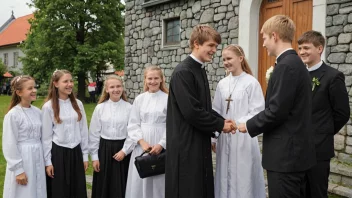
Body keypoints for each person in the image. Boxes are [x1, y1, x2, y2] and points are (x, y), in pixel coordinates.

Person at [237, 15, 316, 197]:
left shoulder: (286, 67)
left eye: (264, 38)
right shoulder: (294, 64)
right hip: (295, 154)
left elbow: (276, 111)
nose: (263, 43)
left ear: (274, 36)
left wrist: (247, 125)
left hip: (286, 157)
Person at [165, 24, 236, 198]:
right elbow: (191, 112)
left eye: (215, 47)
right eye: (211, 46)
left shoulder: (199, 70)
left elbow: (203, 107)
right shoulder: (183, 72)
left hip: (197, 141)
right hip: (185, 144)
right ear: (197, 43)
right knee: (188, 189)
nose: (214, 50)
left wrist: (222, 120)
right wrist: (220, 124)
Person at [297, 30, 350, 198]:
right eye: (300, 48)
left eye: (306, 47)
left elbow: (342, 113)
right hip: (297, 147)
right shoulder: (298, 75)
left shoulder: (333, 76)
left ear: (319, 49)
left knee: (317, 192)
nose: (302, 52)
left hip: (318, 147)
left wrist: (323, 132)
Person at [212, 44, 266, 198]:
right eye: (223, 60)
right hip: (225, 136)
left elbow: (257, 111)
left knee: (243, 177)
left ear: (240, 58)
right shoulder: (222, 84)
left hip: (243, 136)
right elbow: (216, 111)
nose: (226, 62)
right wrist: (214, 137)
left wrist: (237, 123)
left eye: (229, 58)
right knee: (224, 176)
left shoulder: (251, 82)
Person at [42, 69, 89, 198]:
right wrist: (48, 162)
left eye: (71, 81)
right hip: (58, 153)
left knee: (77, 189)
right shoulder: (48, 107)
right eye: (65, 81)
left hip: (76, 152)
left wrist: (85, 156)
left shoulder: (78, 104)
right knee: (60, 190)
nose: (70, 84)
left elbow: (83, 131)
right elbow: (46, 137)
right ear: (56, 84)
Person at [125, 65, 168, 198]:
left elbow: (172, 125)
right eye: (150, 78)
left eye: (156, 78)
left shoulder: (168, 98)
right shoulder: (140, 99)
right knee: (141, 178)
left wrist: (162, 144)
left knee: (159, 178)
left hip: (161, 141)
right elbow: (133, 123)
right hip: (143, 144)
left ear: (161, 80)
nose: (153, 81)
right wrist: (142, 142)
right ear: (145, 80)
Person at [89, 75, 135, 198]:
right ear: (107, 90)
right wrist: (94, 157)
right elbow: (94, 133)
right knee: (104, 184)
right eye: (112, 87)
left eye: (118, 86)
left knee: (121, 184)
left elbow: (133, 132)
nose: (116, 89)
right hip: (104, 150)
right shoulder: (100, 108)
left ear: (122, 88)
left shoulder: (129, 108)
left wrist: (124, 151)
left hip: (123, 149)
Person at [2, 75, 47, 198]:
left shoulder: (38, 112)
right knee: (24, 192)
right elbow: (9, 143)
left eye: (34, 87)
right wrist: (18, 170)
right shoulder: (13, 115)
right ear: (19, 92)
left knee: (37, 189)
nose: (34, 90)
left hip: (37, 155)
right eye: (30, 88)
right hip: (23, 158)